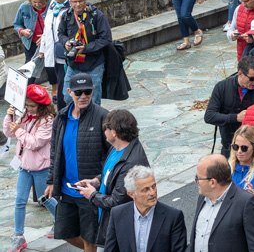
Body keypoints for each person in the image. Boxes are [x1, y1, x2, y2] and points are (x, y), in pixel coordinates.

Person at [46, 73, 109, 252]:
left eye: (87, 91)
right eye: (78, 92)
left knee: (90, 238)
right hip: (67, 190)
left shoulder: (102, 116)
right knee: (65, 232)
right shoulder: (61, 117)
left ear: (93, 90)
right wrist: (51, 180)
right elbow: (55, 152)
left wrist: (99, 180)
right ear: (69, 92)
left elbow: (112, 154)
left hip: (89, 191)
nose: (83, 96)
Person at [75, 109, 149, 245]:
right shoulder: (117, 148)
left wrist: (92, 195)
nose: (104, 133)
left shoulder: (130, 163)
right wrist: (96, 181)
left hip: (120, 230)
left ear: (114, 132)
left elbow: (116, 201)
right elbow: (111, 172)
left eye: (106, 129)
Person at [5, 84, 58, 251]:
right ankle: (18, 236)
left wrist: (19, 131)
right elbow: (9, 133)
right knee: (20, 201)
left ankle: (63, 222)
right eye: (26, 105)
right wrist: (10, 118)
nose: (29, 109)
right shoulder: (26, 115)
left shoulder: (48, 121)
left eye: (32, 106)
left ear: (41, 106)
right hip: (24, 166)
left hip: (41, 167)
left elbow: (35, 143)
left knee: (46, 199)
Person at [190, 155, 254, 252]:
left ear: (212, 182)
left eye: (198, 178)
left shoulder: (246, 203)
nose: (195, 181)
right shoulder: (203, 198)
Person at [102, 165, 187, 252]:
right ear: (131, 194)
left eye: (153, 186)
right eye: (145, 189)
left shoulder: (174, 217)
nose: (152, 192)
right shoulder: (117, 215)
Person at [58, 0, 113, 105]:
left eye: (80, 1)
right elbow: (60, 34)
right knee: (68, 97)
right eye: (74, 2)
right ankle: (75, 119)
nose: (78, 4)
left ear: (86, 0)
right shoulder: (66, 16)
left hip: (94, 64)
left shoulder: (96, 15)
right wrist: (66, 42)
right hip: (73, 64)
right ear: (69, 1)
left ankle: (93, 121)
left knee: (93, 99)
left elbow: (106, 38)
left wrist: (86, 48)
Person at [205, 56, 254, 157]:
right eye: (252, 78)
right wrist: (235, 118)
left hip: (253, 149)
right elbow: (209, 116)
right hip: (229, 147)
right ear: (240, 74)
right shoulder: (223, 86)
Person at [41, 0, 74, 105]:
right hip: (51, 50)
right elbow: (47, 29)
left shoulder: (70, 8)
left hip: (63, 52)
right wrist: (43, 49)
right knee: (57, 79)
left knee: (63, 84)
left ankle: (63, 110)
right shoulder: (53, 5)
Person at [14, 0, 49, 66]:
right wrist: (22, 31)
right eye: (34, 2)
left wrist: (46, 36)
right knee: (30, 65)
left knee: (50, 67)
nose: (37, 5)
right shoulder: (24, 7)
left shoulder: (52, 5)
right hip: (31, 43)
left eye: (40, 2)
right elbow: (17, 24)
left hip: (48, 42)